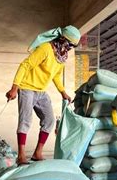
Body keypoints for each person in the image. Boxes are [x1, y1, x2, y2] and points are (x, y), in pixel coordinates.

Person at [5, 25, 81, 165]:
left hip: (41, 91)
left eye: (72, 46)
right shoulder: (45, 49)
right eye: (69, 44)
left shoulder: (62, 56)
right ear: (62, 39)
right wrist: (14, 88)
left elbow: (56, 75)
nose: (70, 48)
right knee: (25, 120)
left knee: (50, 120)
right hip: (27, 88)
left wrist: (63, 92)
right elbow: (25, 65)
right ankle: (21, 155)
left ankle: (37, 152)